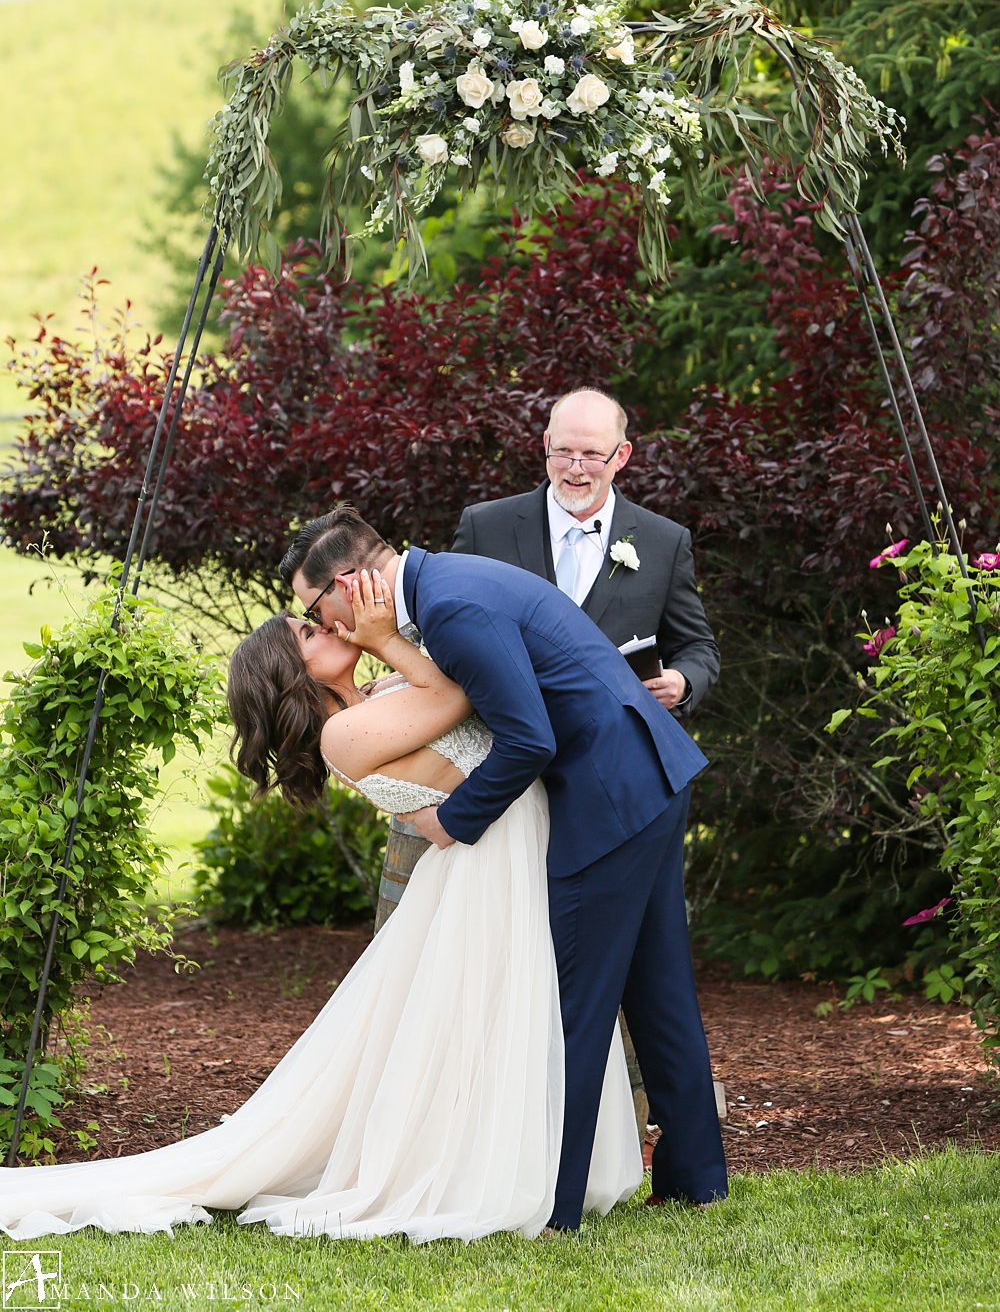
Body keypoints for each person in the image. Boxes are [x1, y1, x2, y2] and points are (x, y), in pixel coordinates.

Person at [0, 571, 641, 1242]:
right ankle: (490, 1171)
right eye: (310, 632)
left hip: (505, 842)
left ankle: (535, 1157)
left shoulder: (375, 696)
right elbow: (457, 694)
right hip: (493, 860)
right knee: (503, 1013)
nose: (328, 626)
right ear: (292, 673)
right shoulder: (346, 734)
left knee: (518, 1012)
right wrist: (387, 639)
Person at [284, 505, 728, 1230]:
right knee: (657, 989)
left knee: (575, 1006)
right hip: (644, 777)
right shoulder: (445, 587)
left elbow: (528, 740)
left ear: (345, 582)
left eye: (315, 607)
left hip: (609, 798)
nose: (325, 622)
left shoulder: (450, 607)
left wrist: (449, 824)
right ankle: (695, 1180)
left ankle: (553, 1203)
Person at [451, 388, 719, 717]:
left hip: (612, 747)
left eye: (592, 454)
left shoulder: (666, 542)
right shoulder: (484, 528)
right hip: (500, 738)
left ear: (621, 456)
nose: (575, 469)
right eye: (563, 451)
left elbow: (697, 646)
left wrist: (681, 681)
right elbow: (447, 628)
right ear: (546, 444)